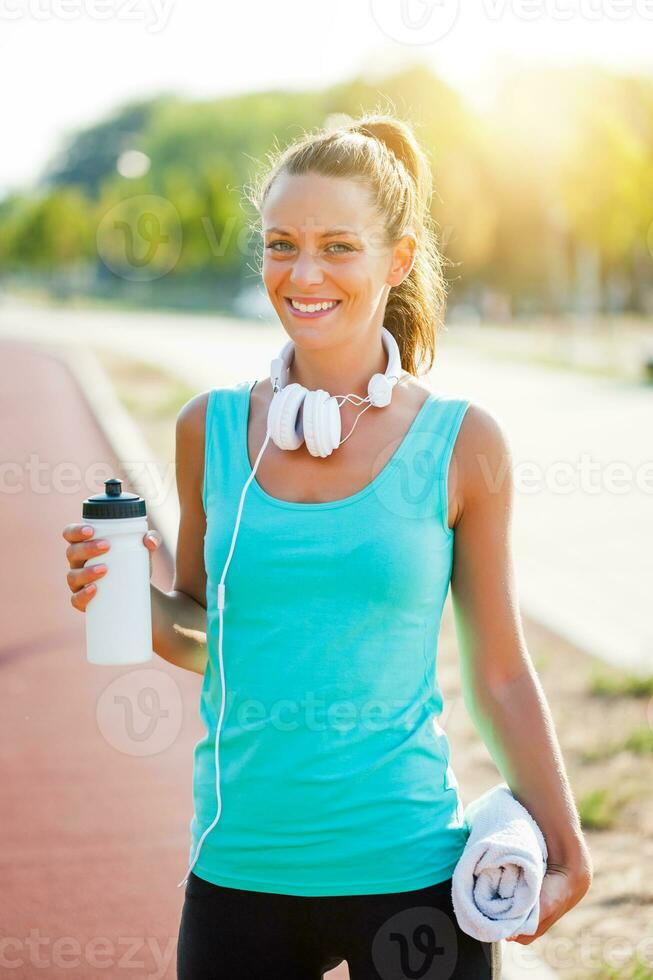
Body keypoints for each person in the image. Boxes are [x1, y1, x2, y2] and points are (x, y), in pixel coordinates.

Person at [63, 111, 593, 979]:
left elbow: (498, 669)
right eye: (281, 244)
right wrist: (124, 595)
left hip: (412, 871)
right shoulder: (212, 428)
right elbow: (201, 631)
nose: (303, 273)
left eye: (337, 246)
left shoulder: (464, 443)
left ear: (398, 260)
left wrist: (567, 843)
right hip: (241, 873)